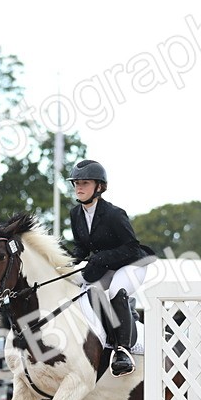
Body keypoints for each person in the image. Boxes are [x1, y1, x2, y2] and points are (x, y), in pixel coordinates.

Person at [66, 159, 156, 376]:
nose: (79, 187)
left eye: (84, 183)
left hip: (132, 264)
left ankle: (123, 351)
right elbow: (81, 247)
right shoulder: (75, 214)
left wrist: (101, 258)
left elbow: (132, 247)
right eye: (76, 183)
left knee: (116, 290)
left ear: (99, 187)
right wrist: (67, 264)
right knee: (75, 284)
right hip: (106, 266)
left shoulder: (115, 214)